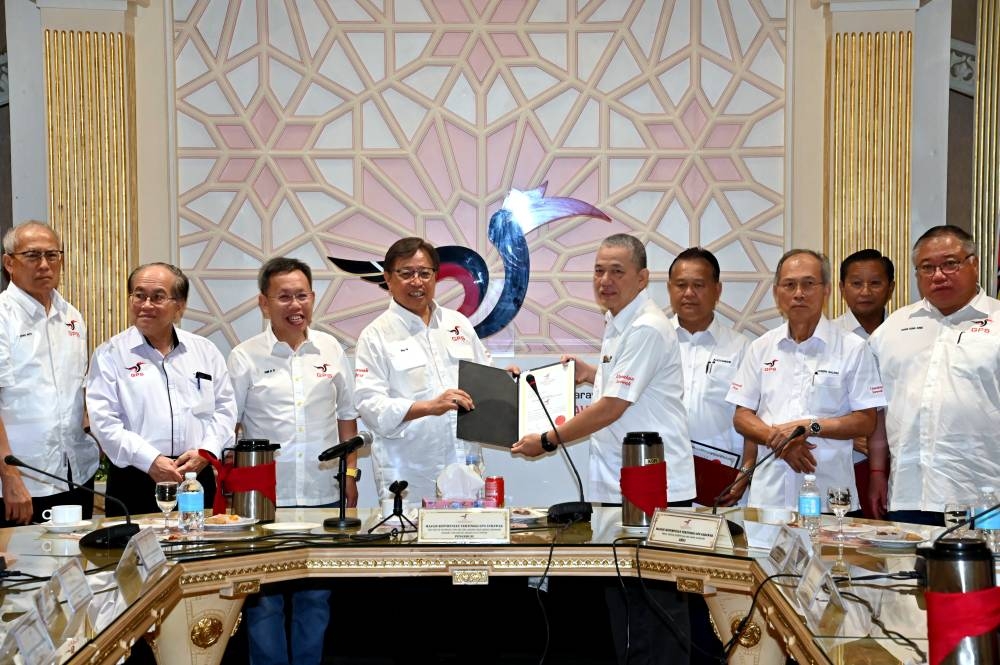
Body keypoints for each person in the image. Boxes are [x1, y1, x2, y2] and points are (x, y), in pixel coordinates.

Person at [513, 233, 695, 665]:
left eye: (617, 270)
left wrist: (547, 439)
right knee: (628, 604)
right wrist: (589, 372)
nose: (605, 279)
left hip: (652, 489)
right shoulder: (620, 325)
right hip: (622, 486)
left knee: (656, 605)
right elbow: (622, 389)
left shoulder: (646, 327)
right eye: (598, 270)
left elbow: (613, 407)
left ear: (642, 277)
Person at [228, 257, 359, 665]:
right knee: (264, 602)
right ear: (264, 303)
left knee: (315, 598)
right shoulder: (244, 356)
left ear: (313, 299)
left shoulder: (332, 350)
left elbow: (347, 418)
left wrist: (350, 474)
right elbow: (227, 428)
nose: (294, 304)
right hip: (263, 501)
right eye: (284, 296)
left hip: (322, 495)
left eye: (301, 295)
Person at [726, 249, 884, 511]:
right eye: (789, 285)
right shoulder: (761, 347)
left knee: (830, 554)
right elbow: (742, 416)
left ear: (826, 290)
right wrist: (780, 441)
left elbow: (866, 421)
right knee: (763, 553)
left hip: (829, 497)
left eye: (808, 284)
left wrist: (810, 427)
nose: (798, 293)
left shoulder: (853, 348)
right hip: (769, 498)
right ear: (777, 292)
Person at [866, 225, 1000, 525]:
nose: (938, 275)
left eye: (950, 263)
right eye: (927, 267)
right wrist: (876, 472)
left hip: (984, 496)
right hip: (908, 493)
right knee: (910, 572)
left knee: (985, 574)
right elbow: (878, 409)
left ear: (974, 264)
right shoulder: (892, 330)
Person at [86, 262, 236, 515]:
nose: (146, 305)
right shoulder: (110, 354)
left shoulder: (204, 351)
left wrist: (206, 451)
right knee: (133, 553)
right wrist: (151, 461)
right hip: (135, 476)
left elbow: (225, 409)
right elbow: (104, 423)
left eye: (157, 297)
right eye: (139, 295)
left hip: (195, 474)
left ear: (180, 305)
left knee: (200, 551)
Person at [354, 237, 490, 504]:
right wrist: (429, 406)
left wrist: (503, 380)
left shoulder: (458, 324)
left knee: (469, 544)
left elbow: (483, 380)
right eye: (406, 273)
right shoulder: (375, 335)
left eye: (424, 273)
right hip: (409, 480)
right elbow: (370, 405)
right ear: (388, 279)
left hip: (466, 469)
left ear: (435, 277)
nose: (417, 282)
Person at [0, 221, 99, 526]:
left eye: (52, 255)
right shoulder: (3, 316)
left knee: (76, 568)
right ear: (9, 263)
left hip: (76, 472)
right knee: (25, 571)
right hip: (23, 479)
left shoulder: (72, 316)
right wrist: (9, 475)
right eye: (32, 256)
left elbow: (77, 391)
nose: (44, 265)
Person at [667, 247, 750, 506]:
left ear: (717, 290)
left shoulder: (743, 348)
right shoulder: (652, 342)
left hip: (723, 482)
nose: (689, 293)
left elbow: (753, 416)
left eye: (699, 285)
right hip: (663, 478)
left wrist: (746, 471)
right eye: (681, 285)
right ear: (670, 289)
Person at [835, 249, 895, 517]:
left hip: (901, 462)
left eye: (875, 283)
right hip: (846, 461)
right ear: (841, 288)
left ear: (891, 287)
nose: (865, 291)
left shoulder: (904, 333)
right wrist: (849, 436)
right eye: (856, 283)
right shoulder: (827, 337)